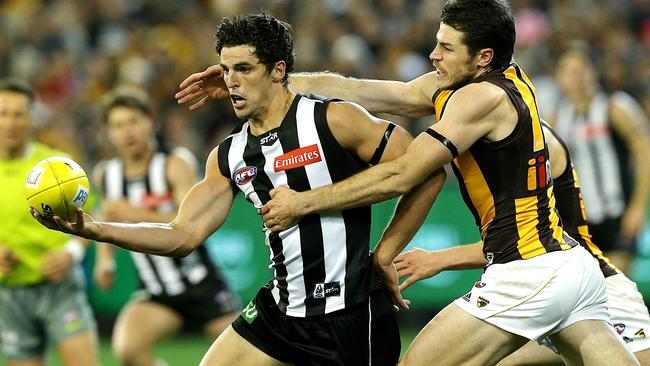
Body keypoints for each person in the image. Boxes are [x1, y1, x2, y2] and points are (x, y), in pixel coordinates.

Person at [175, 1, 640, 365]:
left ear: (483, 57)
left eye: (446, 48)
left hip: (528, 272)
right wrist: (271, 80)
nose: (433, 55)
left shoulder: (478, 98)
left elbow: (405, 172)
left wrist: (305, 203)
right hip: (574, 269)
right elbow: (379, 93)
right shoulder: (502, 82)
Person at [32, 13, 446, 366]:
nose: (230, 82)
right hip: (280, 312)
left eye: (244, 69)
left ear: (278, 71)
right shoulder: (228, 155)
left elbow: (425, 172)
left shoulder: (334, 121)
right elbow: (182, 235)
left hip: (352, 314)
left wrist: (386, 251)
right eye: (226, 70)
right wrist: (96, 229)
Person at [394, 122, 650, 365]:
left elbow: (521, 243)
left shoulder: (534, 145)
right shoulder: (521, 139)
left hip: (597, 288)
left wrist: (437, 259)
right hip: (565, 283)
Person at [93, 87, 240, 366]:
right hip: (156, 289)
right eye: (118, 125)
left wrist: (132, 212)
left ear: (150, 121)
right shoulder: (106, 174)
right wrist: (104, 262)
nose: (127, 132)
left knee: (246, 355)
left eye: (133, 122)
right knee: (128, 351)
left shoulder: (174, 163)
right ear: (108, 132)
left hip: (201, 284)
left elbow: (189, 221)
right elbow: (105, 220)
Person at [0, 78, 99, 366]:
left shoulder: (59, 167)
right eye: (3, 113)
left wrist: (70, 255)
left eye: (19, 114)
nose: (11, 122)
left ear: (32, 118)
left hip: (60, 287)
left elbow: (90, 222)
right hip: (10, 292)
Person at [545, 47, 650, 274]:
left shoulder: (615, 106)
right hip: (578, 219)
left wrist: (638, 207)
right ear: (559, 77)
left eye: (581, 69)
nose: (576, 77)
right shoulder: (556, 117)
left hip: (616, 214)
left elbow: (644, 153)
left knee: (617, 289)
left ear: (593, 72)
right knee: (587, 295)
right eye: (569, 71)